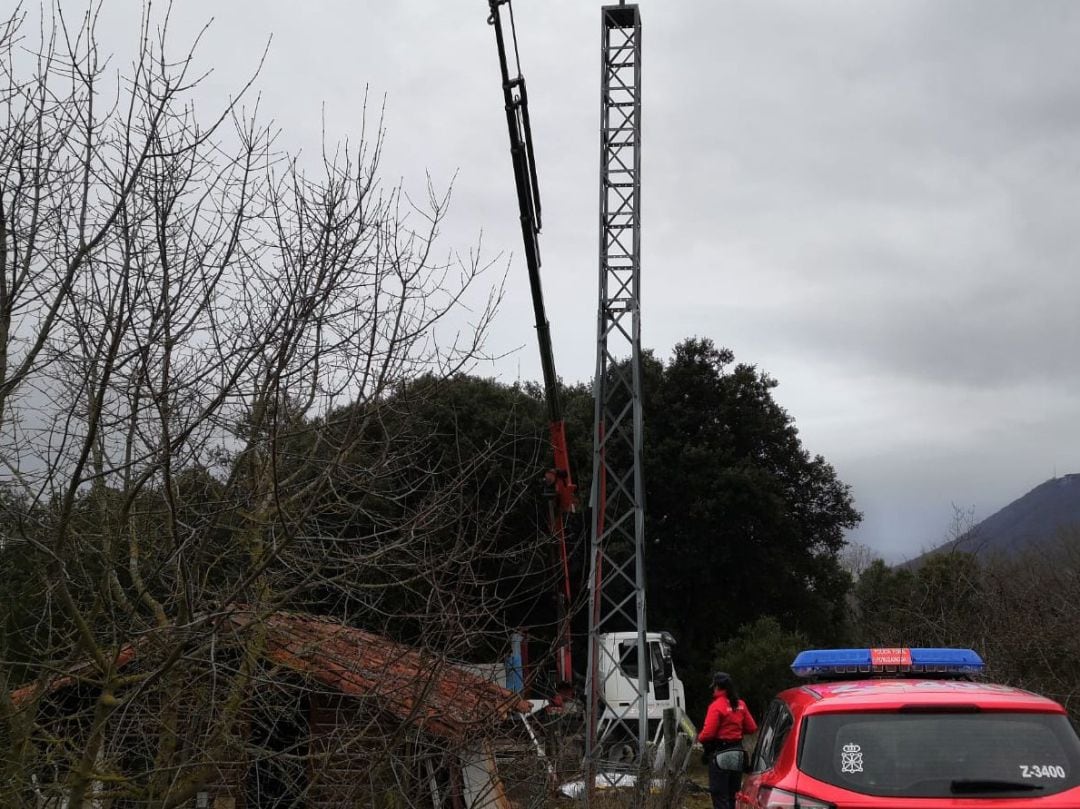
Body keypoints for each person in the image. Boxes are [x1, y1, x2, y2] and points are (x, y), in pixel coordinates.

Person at [698, 672, 758, 809]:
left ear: (718, 687)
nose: (713, 689)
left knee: (719, 796)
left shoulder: (716, 706)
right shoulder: (740, 704)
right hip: (738, 754)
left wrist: (700, 738)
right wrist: (736, 731)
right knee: (733, 795)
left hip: (721, 755)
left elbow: (707, 734)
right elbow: (752, 727)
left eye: (714, 687)